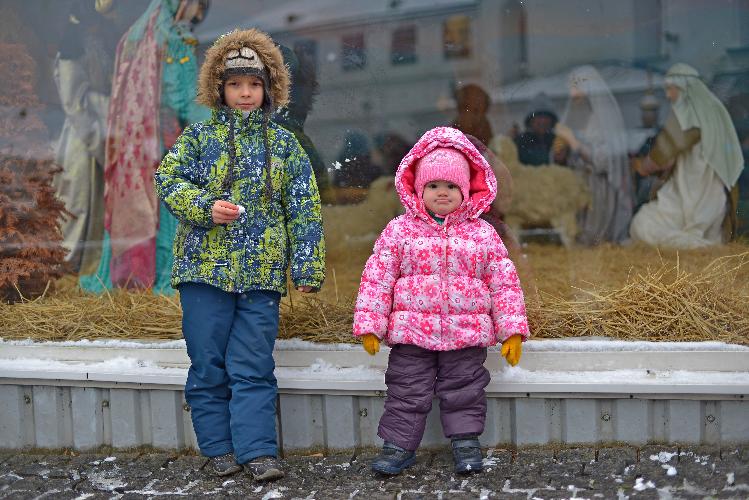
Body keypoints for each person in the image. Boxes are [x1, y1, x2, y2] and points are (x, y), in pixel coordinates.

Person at [154, 28, 325, 480]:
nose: (245, 93)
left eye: (253, 85)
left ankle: (258, 451)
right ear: (220, 88)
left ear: (269, 90)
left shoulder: (287, 146)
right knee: (208, 362)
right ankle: (217, 449)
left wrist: (306, 265)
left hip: (261, 275)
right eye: (235, 84)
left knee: (252, 365)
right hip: (203, 272)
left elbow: (304, 209)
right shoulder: (198, 139)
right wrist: (204, 207)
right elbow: (168, 179)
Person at [353, 126, 529, 476]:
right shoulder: (400, 231)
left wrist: (512, 331)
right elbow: (378, 278)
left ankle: (465, 442)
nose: (442, 193)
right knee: (406, 390)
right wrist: (370, 325)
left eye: (451, 186)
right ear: (418, 189)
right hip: (412, 334)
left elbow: (504, 283)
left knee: (465, 390)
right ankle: (398, 446)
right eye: (434, 186)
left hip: (465, 334)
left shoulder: (482, 233)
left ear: (466, 190)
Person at [80, 0, 210, 293]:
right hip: (163, 140)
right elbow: (182, 95)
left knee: (139, 203)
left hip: (134, 142)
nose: (199, 14)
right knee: (167, 208)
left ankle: (130, 276)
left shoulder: (137, 33)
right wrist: (214, 124)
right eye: (197, 5)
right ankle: (163, 276)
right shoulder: (174, 38)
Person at [629, 63, 744, 248]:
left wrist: (642, 166)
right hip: (711, 198)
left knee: (641, 224)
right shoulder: (713, 108)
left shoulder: (689, 111)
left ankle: (693, 245)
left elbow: (663, 153)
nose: (667, 95)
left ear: (682, 87)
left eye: (670, 89)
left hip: (692, 195)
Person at [554, 65, 633, 245]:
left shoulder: (603, 120)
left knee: (592, 237)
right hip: (575, 183)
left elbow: (605, 160)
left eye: (577, 89)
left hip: (597, 187)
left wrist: (574, 142)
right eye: (571, 88)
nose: (573, 95)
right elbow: (563, 156)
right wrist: (561, 152)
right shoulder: (574, 114)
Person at [514, 92, 564, 166]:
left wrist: (564, 157)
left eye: (546, 116)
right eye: (539, 116)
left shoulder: (557, 139)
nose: (543, 120)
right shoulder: (520, 140)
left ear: (552, 121)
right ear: (530, 120)